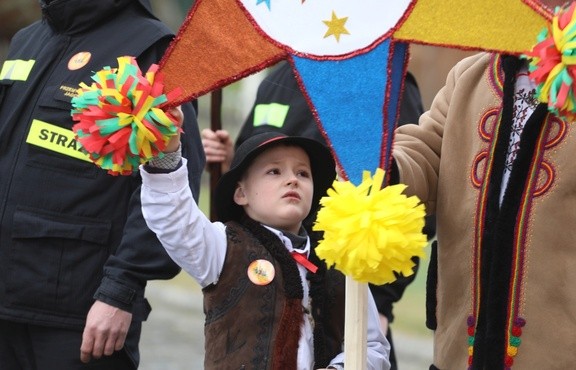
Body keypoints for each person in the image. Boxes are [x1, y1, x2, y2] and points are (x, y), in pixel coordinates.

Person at [391, 0, 576, 368]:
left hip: (575, 345)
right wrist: (387, 169)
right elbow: (428, 148)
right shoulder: (471, 74)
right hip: (462, 344)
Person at [0, 0, 204, 369]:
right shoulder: (27, 40)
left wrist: (121, 291)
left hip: (79, 315)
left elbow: (171, 182)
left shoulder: (151, 49)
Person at [202, 60, 435, 370]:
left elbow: (410, 199)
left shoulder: (386, 79)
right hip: (260, 295)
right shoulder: (277, 77)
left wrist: (381, 300)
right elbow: (249, 166)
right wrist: (230, 159)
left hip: (347, 293)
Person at [141, 130, 391, 369]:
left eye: (303, 173)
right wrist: (166, 152)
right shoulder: (224, 246)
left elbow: (372, 346)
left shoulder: (340, 262)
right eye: (274, 171)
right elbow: (174, 218)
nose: (293, 179)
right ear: (241, 194)